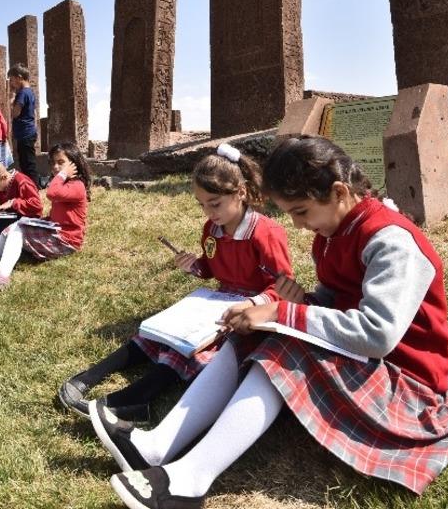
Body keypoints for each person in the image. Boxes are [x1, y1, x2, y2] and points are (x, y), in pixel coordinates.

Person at [89, 136, 448, 506]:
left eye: (301, 211)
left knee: (284, 343)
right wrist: (303, 304)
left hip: (408, 383)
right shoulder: (332, 234)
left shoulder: (391, 241)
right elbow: (336, 302)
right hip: (370, 364)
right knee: (254, 332)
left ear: (339, 193)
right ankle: (155, 447)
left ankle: (189, 481)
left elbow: (377, 334)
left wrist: (285, 311)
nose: (297, 225)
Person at [59, 144, 293, 420]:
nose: (208, 212)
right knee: (157, 334)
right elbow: (211, 267)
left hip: (249, 314)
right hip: (216, 302)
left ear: (240, 192)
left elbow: (282, 287)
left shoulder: (266, 232)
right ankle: (91, 375)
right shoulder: (212, 229)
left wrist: (252, 304)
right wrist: (195, 266)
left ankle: (135, 400)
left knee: (185, 349)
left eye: (215, 204)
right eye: (202, 205)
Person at [0, 142, 92, 292]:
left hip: (67, 241)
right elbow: (59, 215)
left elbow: (51, 193)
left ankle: (1, 275)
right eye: (53, 163)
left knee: (20, 228)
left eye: (61, 163)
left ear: (73, 164)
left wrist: (62, 175)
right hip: (56, 233)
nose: (56, 167)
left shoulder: (77, 185)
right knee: (12, 228)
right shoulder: (65, 184)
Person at [7, 64, 39, 184]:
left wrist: (11, 100)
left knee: (27, 164)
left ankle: (33, 187)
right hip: (29, 131)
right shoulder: (30, 92)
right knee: (28, 162)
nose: (11, 83)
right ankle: (31, 186)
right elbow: (33, 113)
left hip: (24, 133)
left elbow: (16, 113)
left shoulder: (22, 93)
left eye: (12, 79)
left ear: (19, 77)